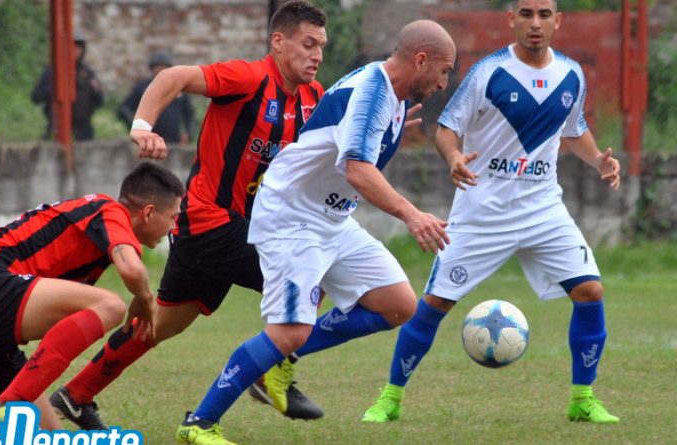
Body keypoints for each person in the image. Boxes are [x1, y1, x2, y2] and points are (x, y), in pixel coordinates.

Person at [49, 0, 328, 431]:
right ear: (278, 42)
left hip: (233, 228)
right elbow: (172, 77)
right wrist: (143, 125)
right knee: (308, 278)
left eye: (322, 47)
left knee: (160, 324)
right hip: (209, 221)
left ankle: (75, 395)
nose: (317, 55)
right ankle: (266, 373)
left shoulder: (313, 98)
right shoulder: (249, 78)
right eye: (308, 44)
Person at [175, 20, 456, 445]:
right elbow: (358, 171)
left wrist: (388, 127)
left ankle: (278, 361)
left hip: (332, 219)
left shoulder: (392, 97)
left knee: (398, 305)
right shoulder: (371, 94)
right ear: (420, 60)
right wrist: (411, 214)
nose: (444, 82)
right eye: (444, 70)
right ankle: (199, 423)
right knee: (288, 331)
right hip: (292, 218)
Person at [361, 0, 621, 425]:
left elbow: (574, 129)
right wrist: (454, 157)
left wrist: (599, 161)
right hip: (483, 211)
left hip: (543, 208)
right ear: (511, 19)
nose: (535, 23)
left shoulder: (571, 73)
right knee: (435, 303)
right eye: (526, 14)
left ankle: (583, 399)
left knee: (590, 291)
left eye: (544, 14)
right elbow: (446, 128)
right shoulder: (488, 72)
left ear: (557, 21)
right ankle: (389, 399)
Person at [0, 161, 184, 429]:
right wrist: (144, 299)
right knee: (111, 306)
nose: (174, 227)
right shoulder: (109, 210)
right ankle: (9, 402)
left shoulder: (90, 241)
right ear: (148, 212)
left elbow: (11, 308)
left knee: (48, 435)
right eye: (173, 217)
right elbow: (132, 270)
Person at [31, 31, 104, 141]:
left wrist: (95, 91)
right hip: (59, 127)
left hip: (83, 131)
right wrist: (56, 87)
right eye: (72, 47)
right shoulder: (53, 71)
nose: (75, 51)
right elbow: (36, 97)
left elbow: (100, 101)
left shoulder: (87, 73)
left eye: (78, 47)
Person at [117, 51, 195, 143]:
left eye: (164, 67)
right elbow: (124, 109)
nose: (161, 70)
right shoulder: (142, 87)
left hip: (174, 141)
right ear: (152, 69)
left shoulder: (177, 88)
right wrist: (137, 128)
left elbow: (189, 113)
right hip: (149, 141)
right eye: (158, 67)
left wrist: (189, 133)